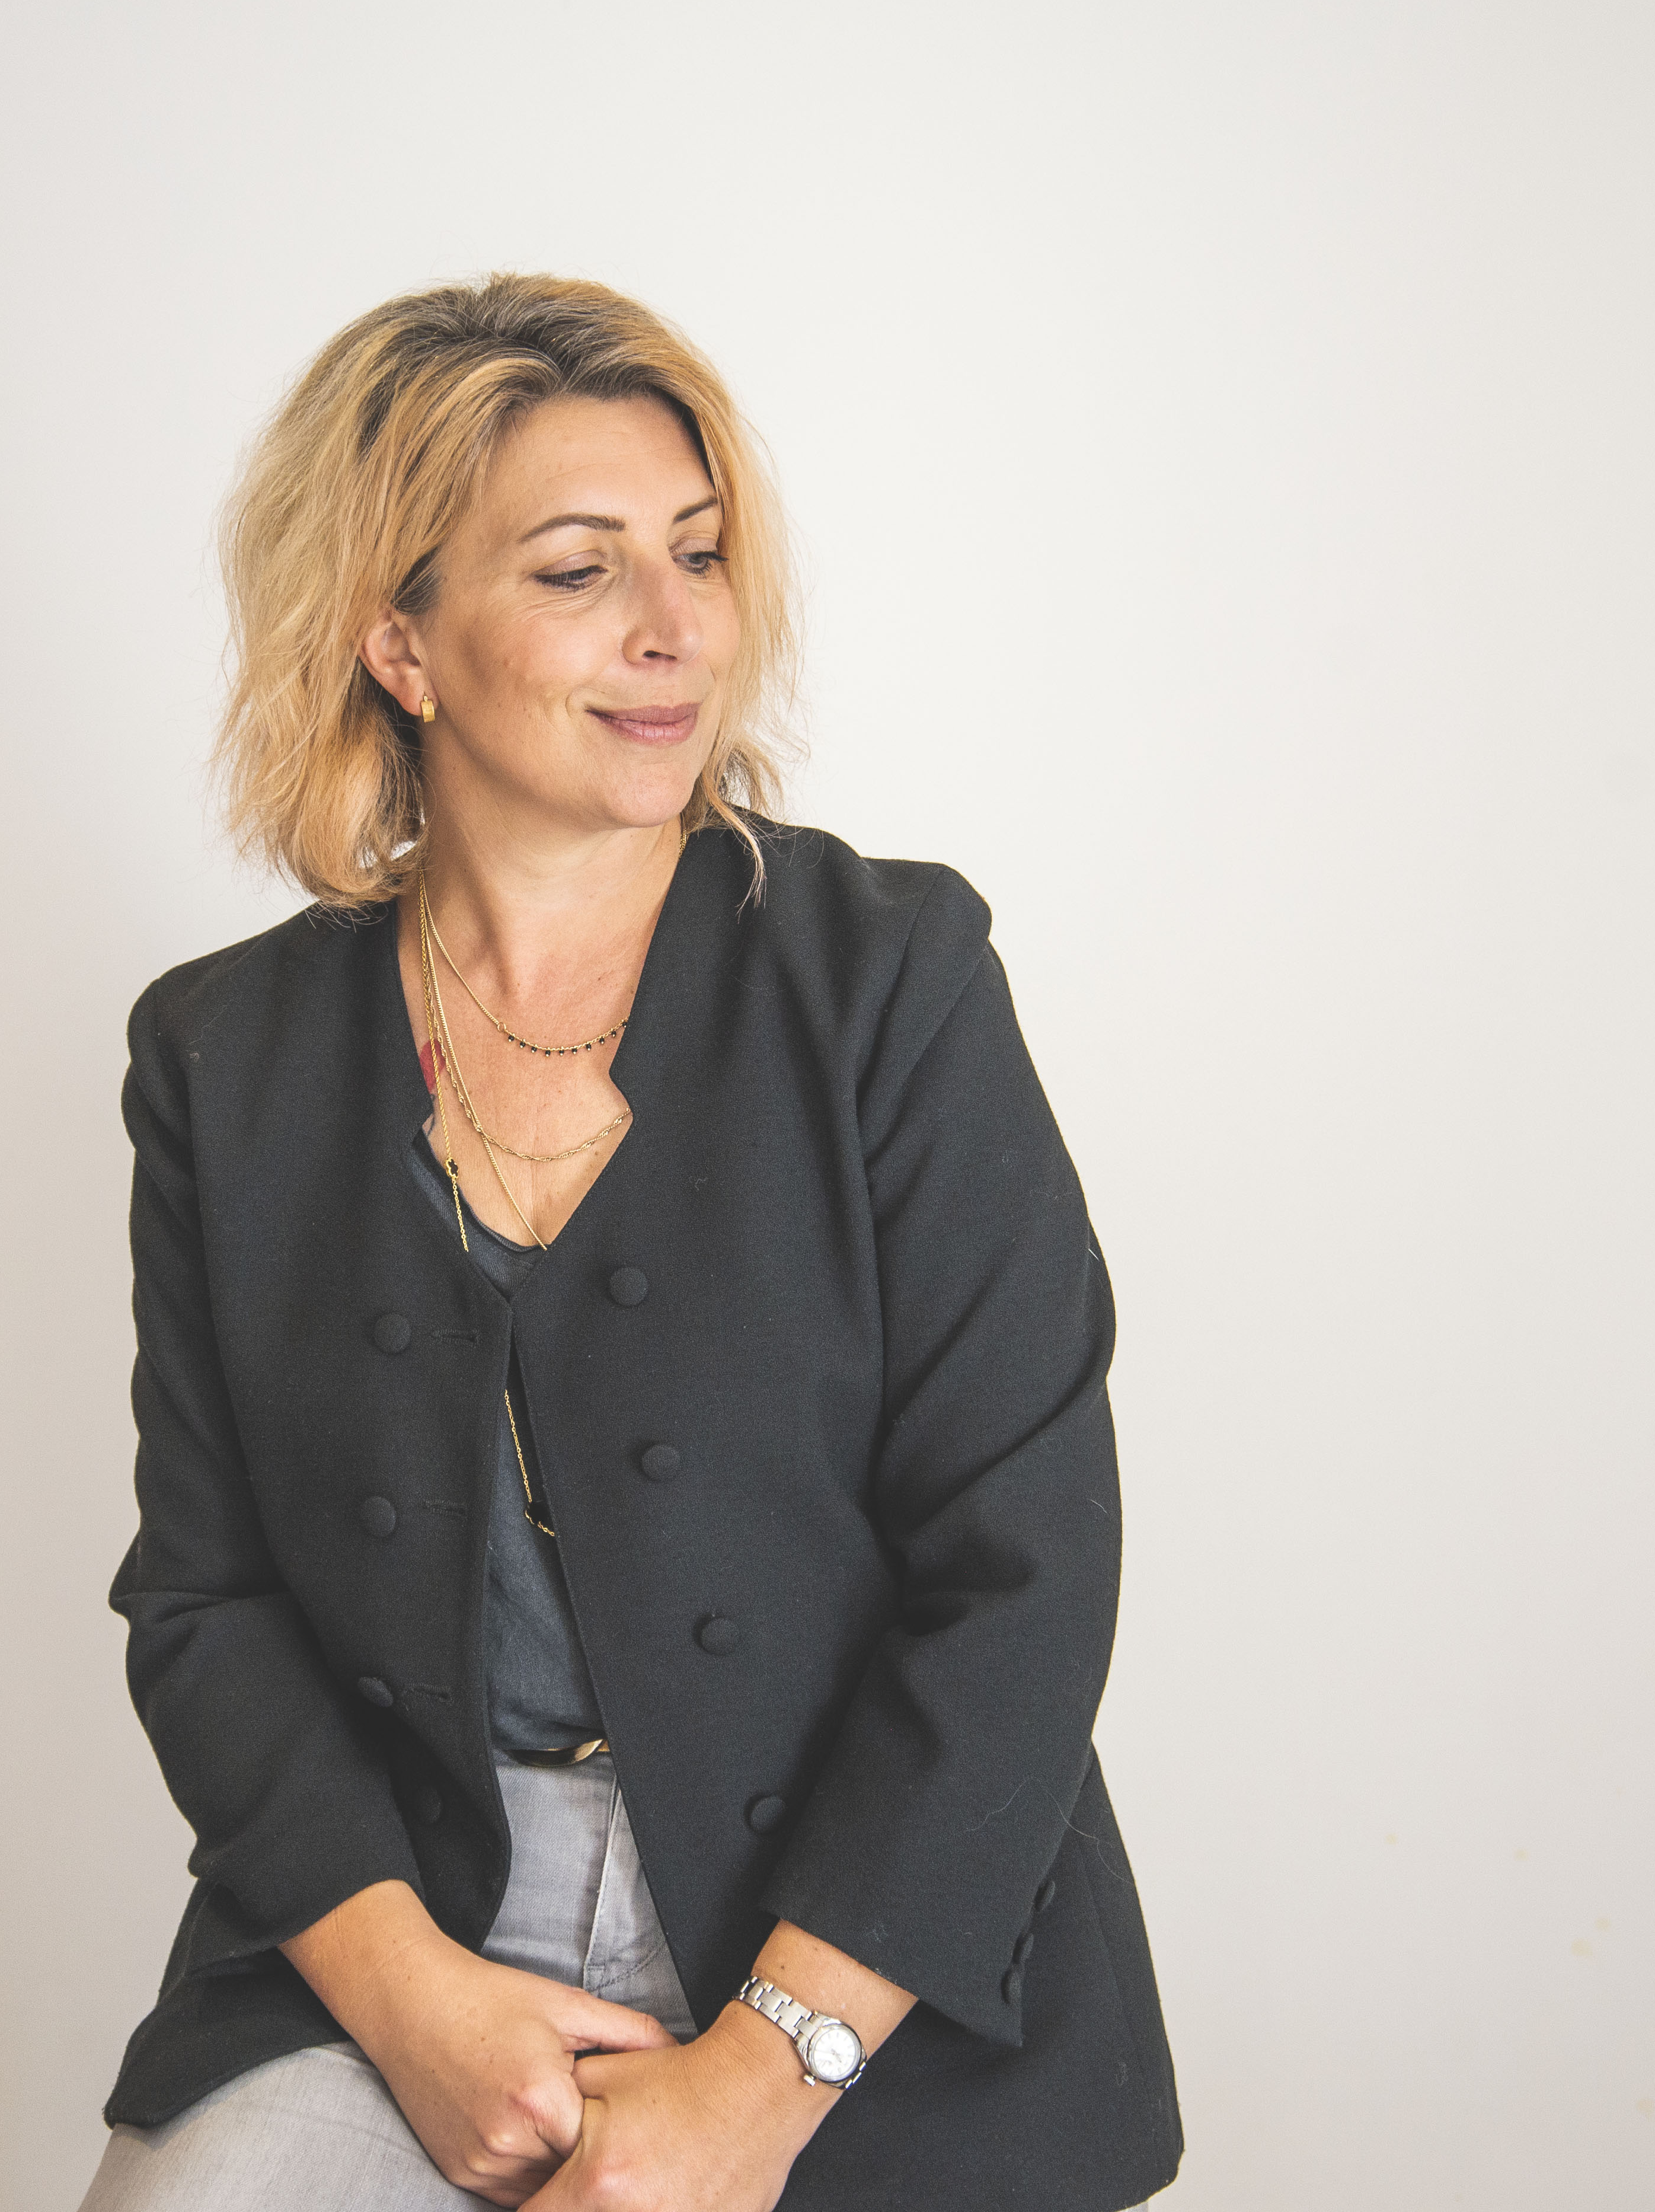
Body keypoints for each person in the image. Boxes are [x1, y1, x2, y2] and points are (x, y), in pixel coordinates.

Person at [79, 275, 1180, 2212]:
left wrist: (761, 2080)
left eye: (701, 553)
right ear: (400, 643)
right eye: (583, 571)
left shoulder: (892, 982)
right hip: (412, 1932)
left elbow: (1025, 1572)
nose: (678, 628)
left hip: (859, 1948)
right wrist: (414, 2002)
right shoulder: (221, 1058)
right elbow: (206, 1604)